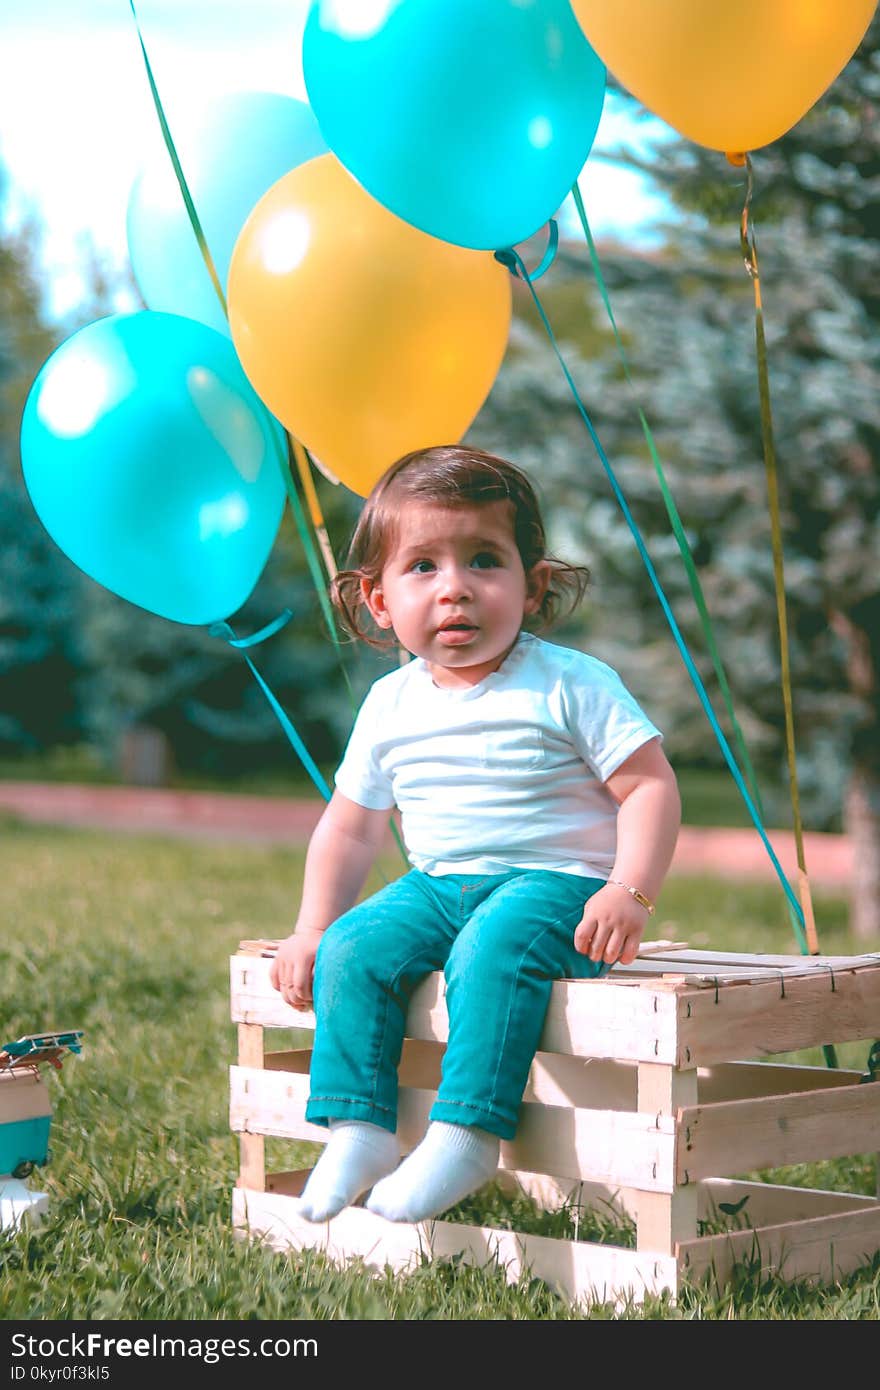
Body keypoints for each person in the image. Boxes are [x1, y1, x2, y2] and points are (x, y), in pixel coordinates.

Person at [270, 445, 681, 1225]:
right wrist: (312, 927)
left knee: (493, 946)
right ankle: (359, 1128)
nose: (455, 587)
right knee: (356, 947)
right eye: (422, 566)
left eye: (484, 560)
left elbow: (649, 786)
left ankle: (465, 1135)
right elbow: (352, 828)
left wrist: (629, 890)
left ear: (534, 587)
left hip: (558, 884)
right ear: (379, 601)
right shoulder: (391, 705)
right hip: (440, 883)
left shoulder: (569, 683)